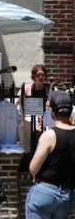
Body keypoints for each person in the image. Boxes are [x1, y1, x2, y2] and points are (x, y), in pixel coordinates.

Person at [26, 91, 75, 219]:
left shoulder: (49, 135)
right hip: (66, 193)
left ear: (52, 112)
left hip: (45, 191)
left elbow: (33, 168)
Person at [15, 64, 50, 153]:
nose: (41, 77)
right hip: (29, 122)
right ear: (33, 76)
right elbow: (15, 102)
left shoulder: (48, 89)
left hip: (44, 122)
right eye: (38, 75)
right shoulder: (26, 88)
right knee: (29, 147)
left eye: (43, 75)